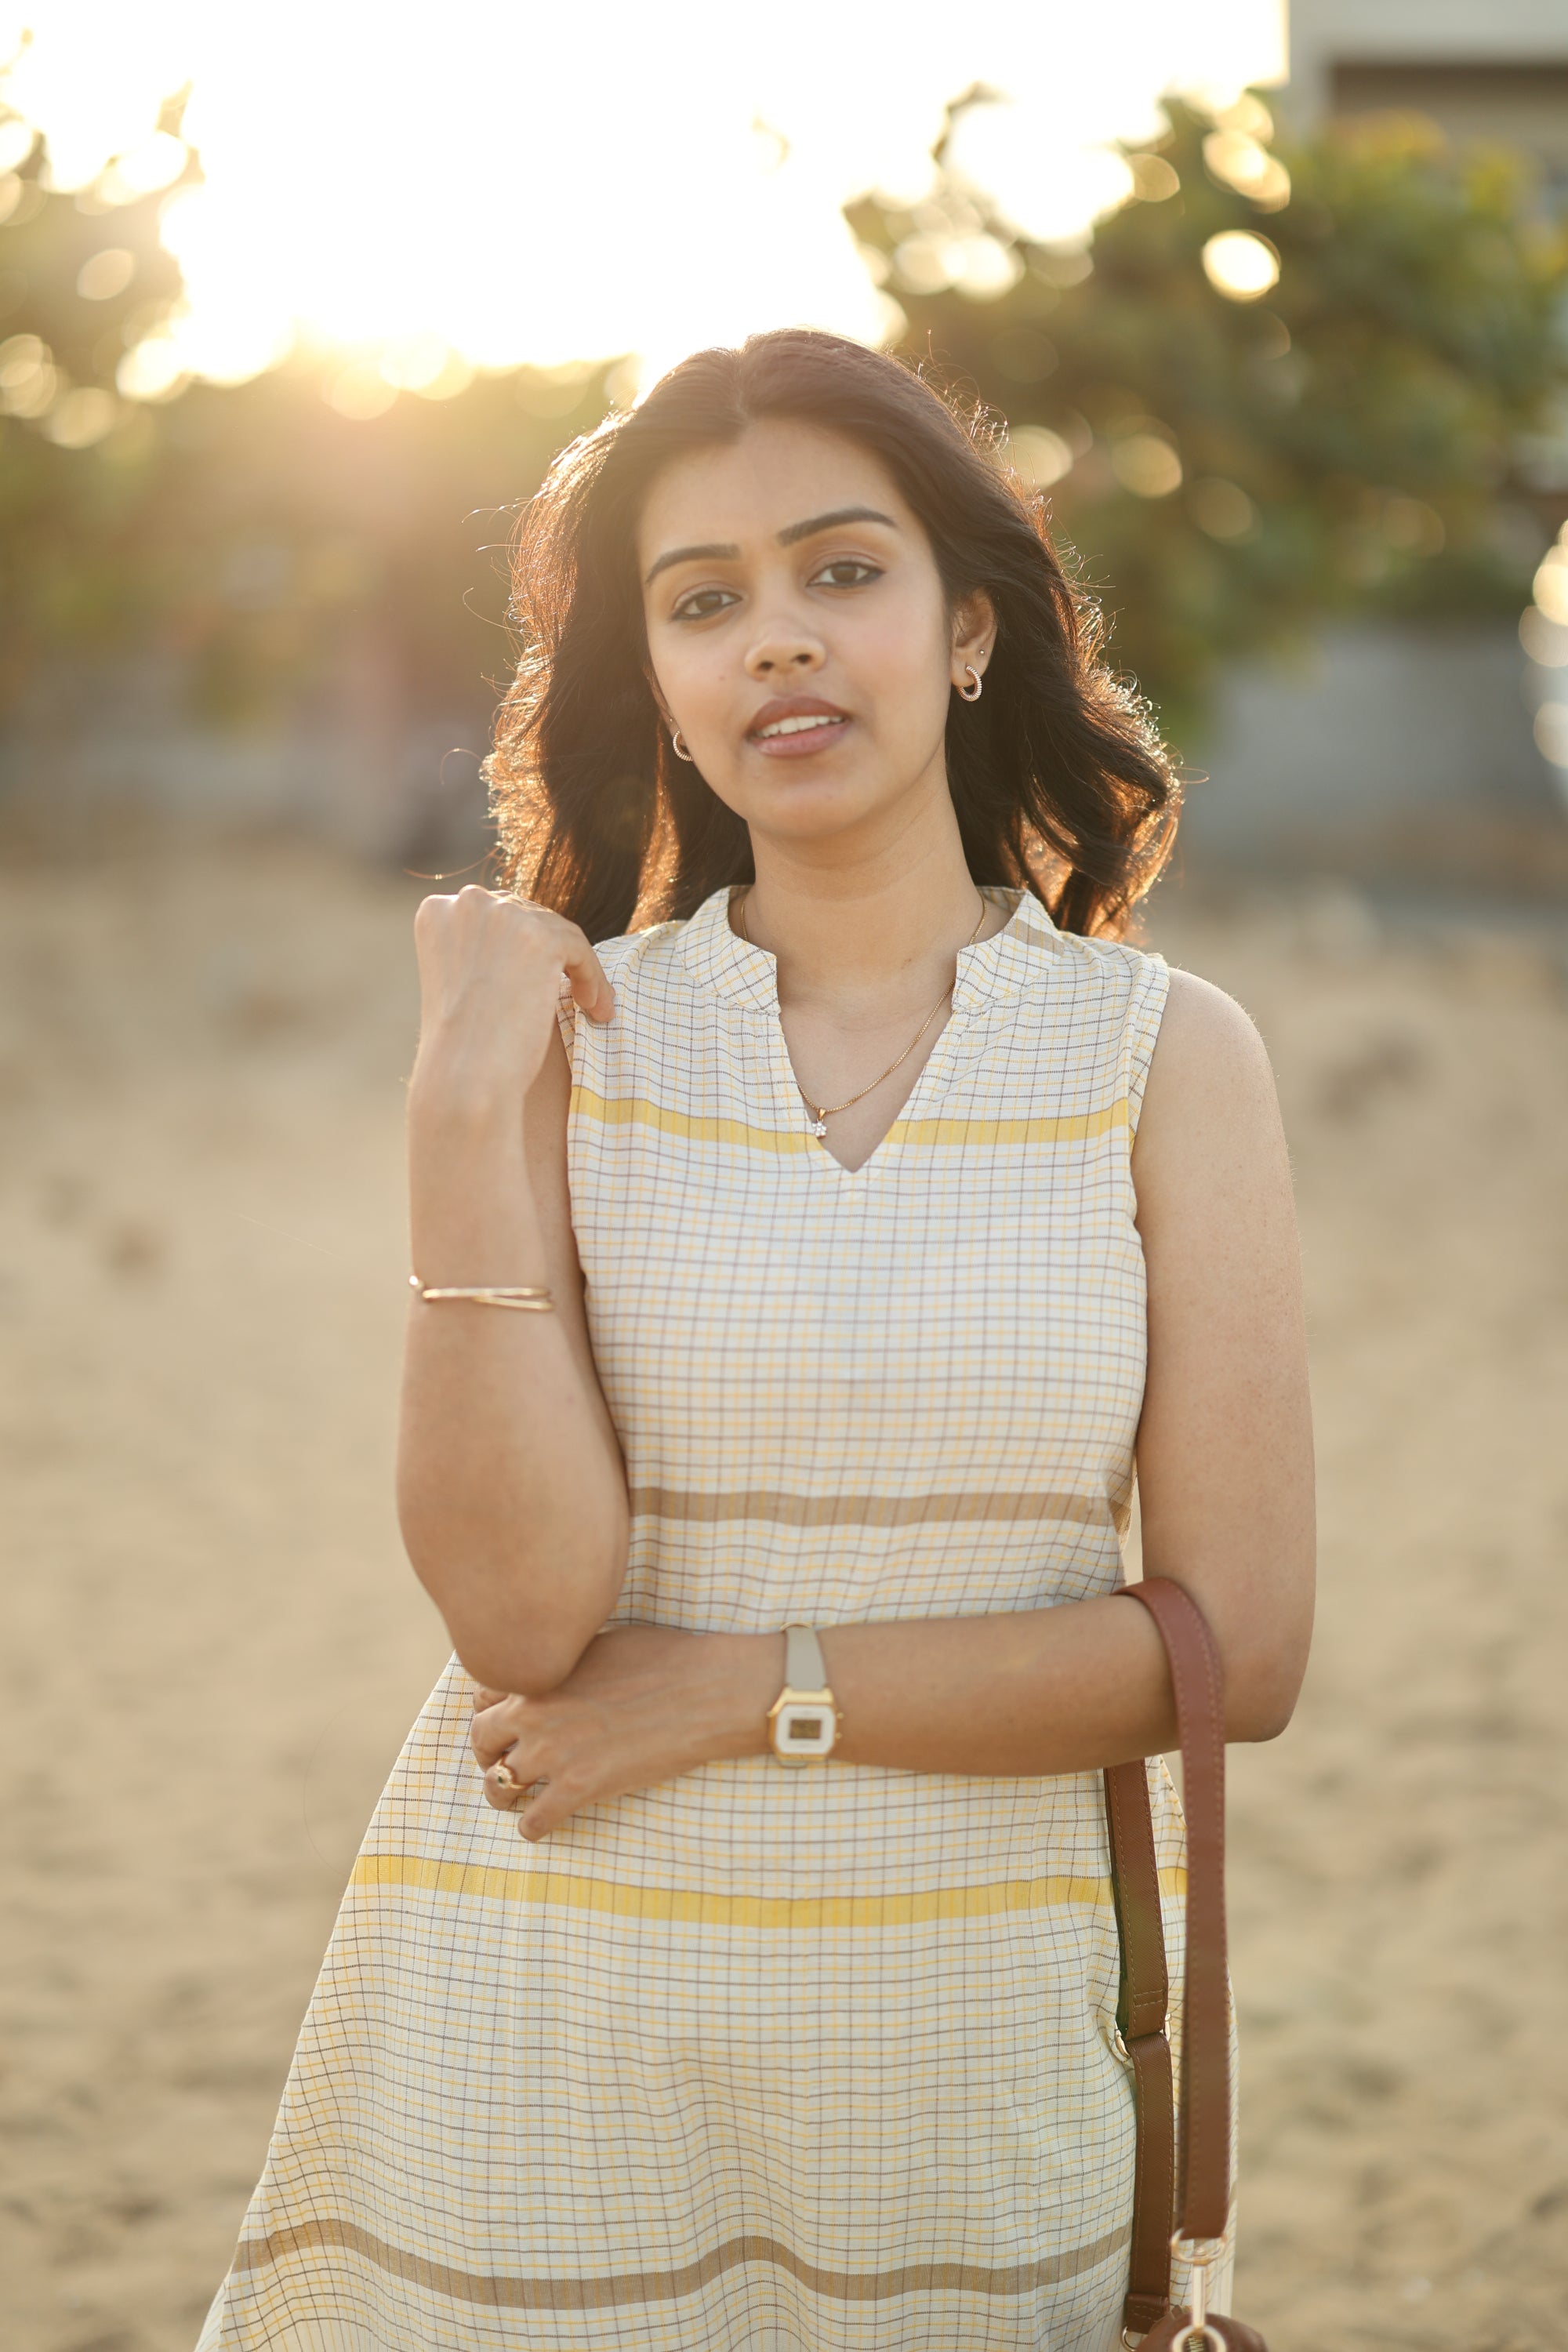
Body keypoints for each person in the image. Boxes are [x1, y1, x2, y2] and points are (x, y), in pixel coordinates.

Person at [199, 328, 1314, 2351]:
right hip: (546, 2054)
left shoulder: (1164, 1059)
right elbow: (523, 1624)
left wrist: (740, 1694)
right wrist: (464, 1117)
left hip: (972, 2098)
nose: (777, 642)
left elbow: (1238, 1647)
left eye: (841, 572)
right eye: (704, 603)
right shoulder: (570, 1043)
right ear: (665, 695)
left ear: (971, 632)